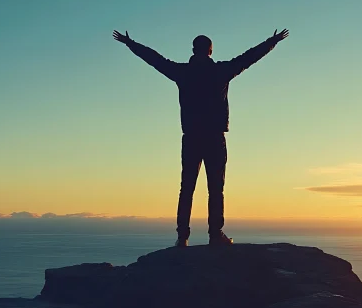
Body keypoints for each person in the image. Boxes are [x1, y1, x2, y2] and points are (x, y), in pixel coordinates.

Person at [112, 28, 290, 246]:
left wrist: (130, 43)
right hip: (214, 137)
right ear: (210, 51)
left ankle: (182, 237)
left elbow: (155, 59)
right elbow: (249, 57)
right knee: (215, 188)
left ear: (193, 50)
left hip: (191, 137)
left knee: (187, 187)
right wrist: (272, 41)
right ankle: (215, 235)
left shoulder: (182, 72)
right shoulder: (222, 71)